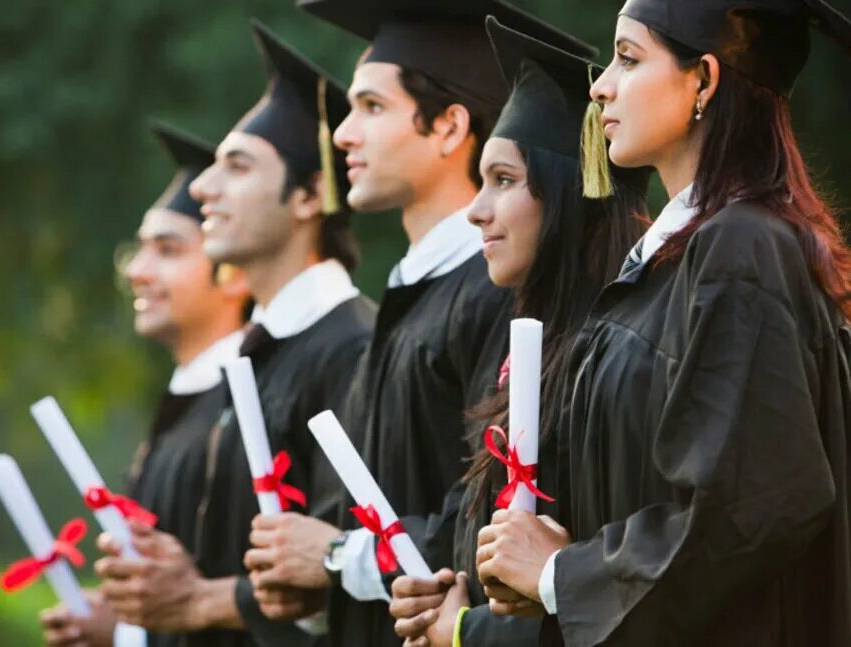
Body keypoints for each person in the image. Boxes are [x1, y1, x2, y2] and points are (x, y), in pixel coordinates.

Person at [474, 1, 851, 645]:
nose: (600, 85)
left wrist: (565, 574)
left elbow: (751, 505)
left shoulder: (743, 247)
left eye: (628, 58)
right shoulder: (675, 259)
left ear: (703, 79)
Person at [243, 2, 599, 646]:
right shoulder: (411, 297)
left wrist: (337, 558)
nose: (343, 135)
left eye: (371, 108)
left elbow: (489, 514)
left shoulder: (497, 296)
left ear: (448, 127)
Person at [387, 17, 648, 646]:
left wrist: (464, 632)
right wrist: (449, 587)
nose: (476, 209)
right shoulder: (523, 350)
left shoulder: (617, 357)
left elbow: (617, 597)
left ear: (568, 194)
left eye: (503, 180)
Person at [186, 19, 374, 646]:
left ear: (309, 195)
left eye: (236, 167)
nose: (201, 188)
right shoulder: (258, 351)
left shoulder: (350, 346)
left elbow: (326, 572)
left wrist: (200, 603)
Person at [38, 122, 251, 647]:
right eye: (140, 248)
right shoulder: (186, 405)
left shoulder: (248, 411)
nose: (137, 270)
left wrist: (132, 630)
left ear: (235, 272)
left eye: (168, 249)